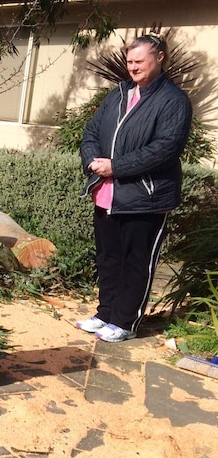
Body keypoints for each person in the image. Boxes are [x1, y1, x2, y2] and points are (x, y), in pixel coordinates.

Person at [76, 33, 192, 342]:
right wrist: (92, 161)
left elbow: (166, 148)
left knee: (136, 262)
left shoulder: (173, 101)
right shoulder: (117, 94)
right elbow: (91, 133)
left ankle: (125, 322)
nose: (132, 67)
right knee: (109, 258)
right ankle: (106, 314)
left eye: (139, 61)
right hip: (107, 194)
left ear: (160, 58)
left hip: (146, 198)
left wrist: (116, 167)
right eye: (129, 61)